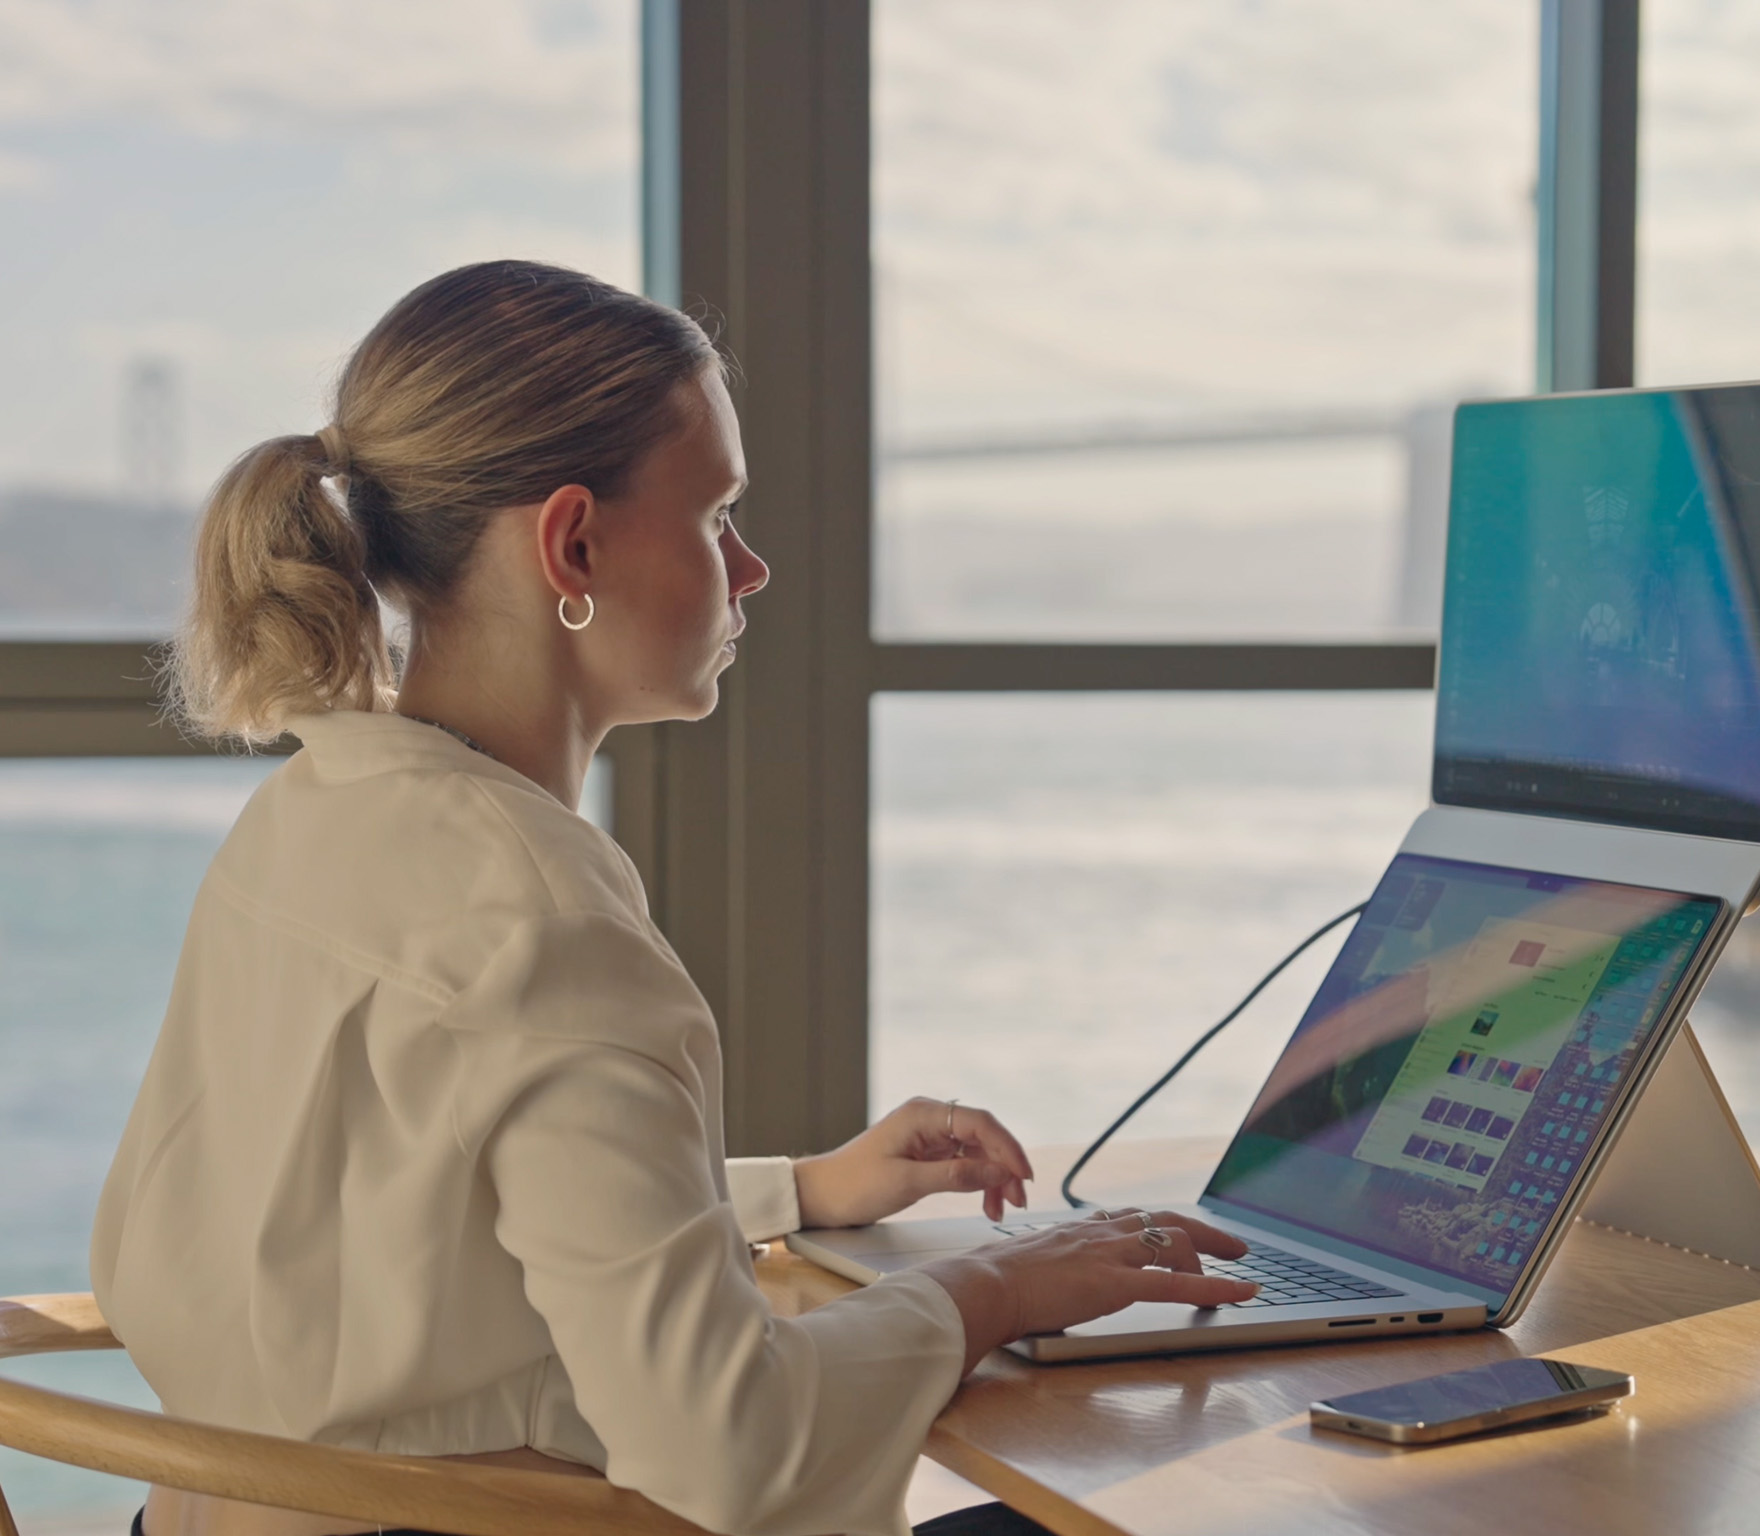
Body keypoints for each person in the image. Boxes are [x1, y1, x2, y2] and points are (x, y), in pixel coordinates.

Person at [91, 260, 1258, 1536]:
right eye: (714, 519)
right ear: (572, 544)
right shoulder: (540, 914)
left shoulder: (314, 817)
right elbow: (728, 1448)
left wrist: (798, 1192)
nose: (750, 570)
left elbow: (397, 1230)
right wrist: (994, 1292)